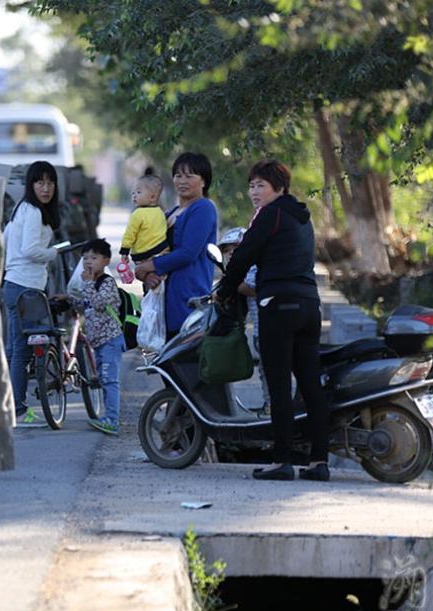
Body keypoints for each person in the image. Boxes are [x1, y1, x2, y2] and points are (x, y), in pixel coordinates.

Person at [216, 159, 330, 482]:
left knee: (279, 385)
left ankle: (282, 461)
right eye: (251, 185)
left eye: (260, 185)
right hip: (309, 306)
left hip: (278, 305)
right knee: (310, 384)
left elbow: (243, 255)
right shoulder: (302, 218)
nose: (254, 192)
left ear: (279, 188)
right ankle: (318, 461)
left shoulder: (270, 214)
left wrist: (225, 289)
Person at [1, 160, 61, 424]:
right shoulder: (34, 211)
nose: (45, 188)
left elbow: (7, 242)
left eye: (50, 182)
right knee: (22, 350)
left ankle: (6, 403)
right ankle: (18, 407)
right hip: (27, 288)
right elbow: (30, 250)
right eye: (40, 182)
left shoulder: (20, 208)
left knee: (14, 349)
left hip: (13, 283)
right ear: (31, 184)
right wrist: (53, 252)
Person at [135, 153, 218, 337]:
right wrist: (147, 275)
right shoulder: (171, 212)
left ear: (204, 181)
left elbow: (188, 253)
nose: (182, 181)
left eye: (190, 176)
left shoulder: (203, 208)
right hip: (165, 299)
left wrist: (150, 266)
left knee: (185, 363)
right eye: (178, 175)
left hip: (189, 298)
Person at [69, 238, 124, 435]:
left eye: (94, 257)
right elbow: (86, 304)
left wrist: (89, 284)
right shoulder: (90, 284)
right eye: (85, 258)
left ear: (106, 261)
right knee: (103, 378)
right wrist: (68, 299)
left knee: (110, 380)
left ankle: (112, 420)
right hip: (99, 343)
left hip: (110, 340)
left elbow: (99, 303)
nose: (88, 262)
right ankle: (108, 417)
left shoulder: (107, 282)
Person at [219, 226, 271, 417]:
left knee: (270, 371)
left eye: (235, 247)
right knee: (265, 371)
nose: (231, 252)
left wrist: (231, 283)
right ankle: (270, 405)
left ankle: (272, 407)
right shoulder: (241, 268)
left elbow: (252, 288)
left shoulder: (252, 266)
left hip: (269, 328)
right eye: (227, 249)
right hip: (261, 329)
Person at [119, 174, 168, 270]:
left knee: (146, 277)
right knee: (159, 278)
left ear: (152, 197)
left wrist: (124, 251)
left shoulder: (138, 214)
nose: (134, 195)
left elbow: (130, 234)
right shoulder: (160, 212)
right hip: (162, 250)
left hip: (143, 255)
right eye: (133, 193)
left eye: (138, 192)